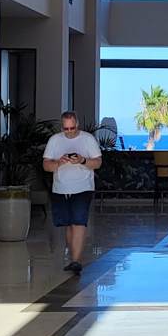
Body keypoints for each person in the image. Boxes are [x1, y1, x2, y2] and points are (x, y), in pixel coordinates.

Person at [43, 111, 102, 273]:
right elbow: (46, 165)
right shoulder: (54, 140)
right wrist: (59, 163)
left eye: (72, 128)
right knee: (68, 224)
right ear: (62, 127)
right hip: (61, 188)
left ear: (77, 125)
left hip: (83, 187)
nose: (69, 131)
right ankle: (73, 258)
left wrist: (82, 160)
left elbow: (98, 162)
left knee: (79, 222)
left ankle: (76, 261)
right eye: (66, 129)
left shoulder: (87, 139)